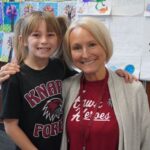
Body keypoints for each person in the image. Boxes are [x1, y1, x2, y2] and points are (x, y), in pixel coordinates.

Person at [60, 17, 150, 150]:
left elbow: (146, 140)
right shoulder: (65, 87)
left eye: (92, 44)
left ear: (105, 45)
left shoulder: (132, 90)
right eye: (77, 48)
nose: (85, 54)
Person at [0, 11, 76, 150]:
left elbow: (86, 79)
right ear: (23, 40)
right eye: (36, 35)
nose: (44, 41)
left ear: (58, 39)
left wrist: (116, 76)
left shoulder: (59, 67)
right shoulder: (13, 77)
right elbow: (10, 126)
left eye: (50, 35)